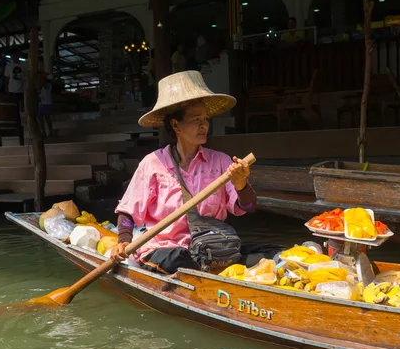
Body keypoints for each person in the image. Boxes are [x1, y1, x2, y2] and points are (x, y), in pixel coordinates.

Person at [111, 70, 283, 274]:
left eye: (206, 119)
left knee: (278, 253)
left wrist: (241, 184)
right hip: (168, 250)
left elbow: (248, 206)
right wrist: (123, 241)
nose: (204, 125)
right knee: (177, 261)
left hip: (211, 248)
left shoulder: (220, 161)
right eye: (195, 119)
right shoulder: (153, 163)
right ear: (176, 125)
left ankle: (218, 267)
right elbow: (128, 211)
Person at [38, 71, 54, 137]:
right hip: (43, 103)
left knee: (46, 118)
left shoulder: (48, 84)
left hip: (46, 103)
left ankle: (49, 132)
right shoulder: (46, 84)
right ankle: (45, 132)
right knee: (42, 118)